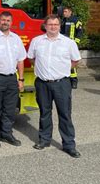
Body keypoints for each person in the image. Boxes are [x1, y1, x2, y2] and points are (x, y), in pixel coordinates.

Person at [28, 14, 82, 158]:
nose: (53, 27)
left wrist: (62, 70)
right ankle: (44, 140)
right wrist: (43, 69)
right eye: (50, 24)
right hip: (42, 83)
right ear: (45, 26)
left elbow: (75, 61)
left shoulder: (68, 43)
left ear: (60, 26)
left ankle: (69, 145)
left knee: (65, 114)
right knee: (44, 113)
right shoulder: (36, 41)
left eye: (56, 24)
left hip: (61, 84)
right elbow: (32, 58)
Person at [0, 11, 26, 148]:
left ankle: (6, 133)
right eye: (3, 20)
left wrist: (21, 79)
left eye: (8, 20)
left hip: (11, 78)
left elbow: (20, 60)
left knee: (9, 108)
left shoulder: (16, 38)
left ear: (11, 22)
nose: (5, 22)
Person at [61, 6, 83, 89]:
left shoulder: (75, 20)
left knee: (72, 62)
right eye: (63, 12)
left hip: (72, 45)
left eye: (66, 12)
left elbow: (80, 31)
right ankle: (66, 80)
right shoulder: (63, 20)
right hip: (63, 45)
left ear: (70, 12)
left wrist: (76, 42)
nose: (64, 13)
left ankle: (74, 81)